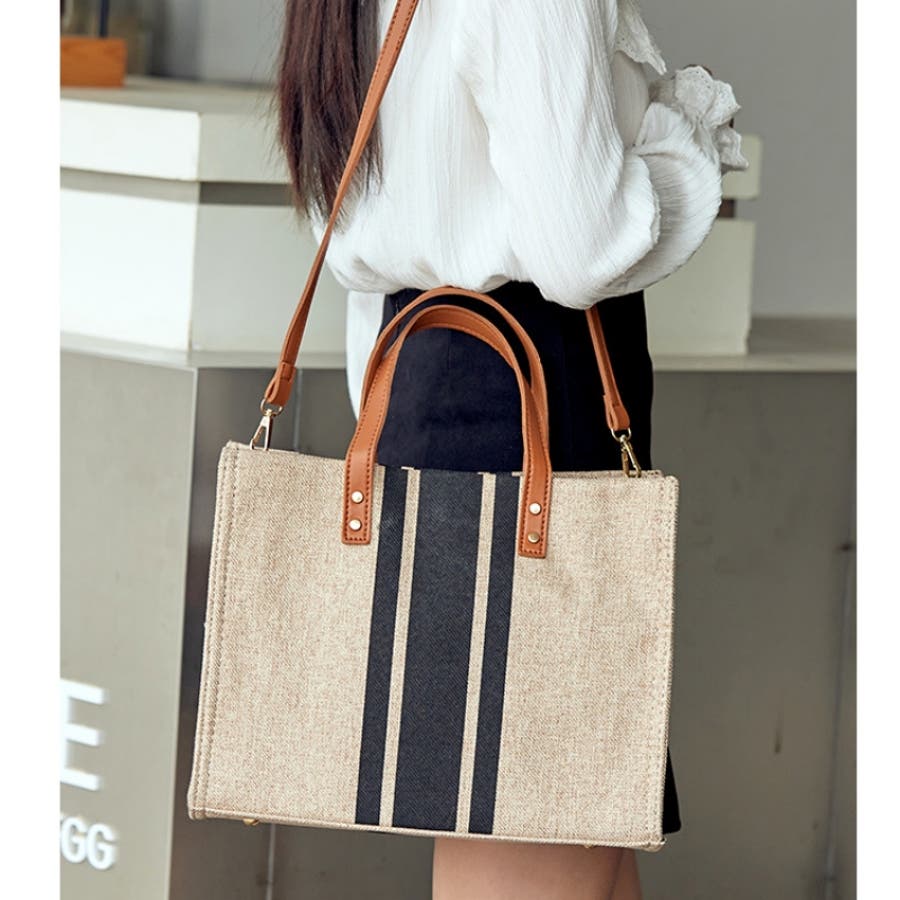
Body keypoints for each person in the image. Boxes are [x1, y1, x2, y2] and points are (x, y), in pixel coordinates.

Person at [278, 0, 749, 897]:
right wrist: (686, 139)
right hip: (535, 398)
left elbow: (359, 241)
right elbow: (580, 248)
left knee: (578, 823)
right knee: (544, 815)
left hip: (427, 381)